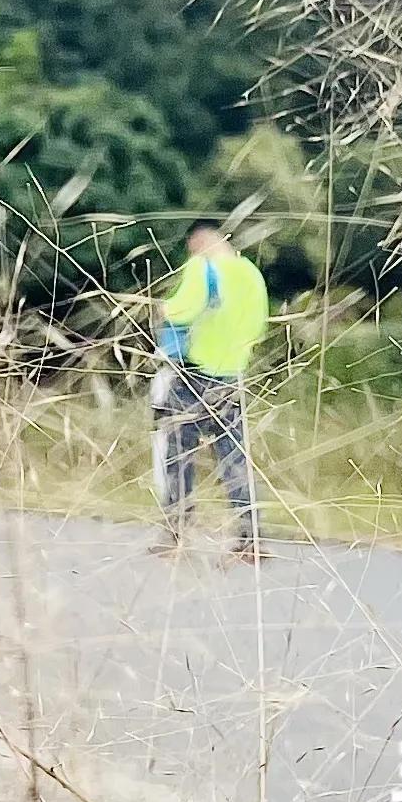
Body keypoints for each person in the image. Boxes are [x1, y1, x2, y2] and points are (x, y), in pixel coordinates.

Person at [150, 218, 269, 559]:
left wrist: (162, 308)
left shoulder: (201, 268)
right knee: (233, 458)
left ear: (199, 242)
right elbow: (258, 326)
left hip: (193, 373)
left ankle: (176, 534)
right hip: (232, 376)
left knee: (178, 456)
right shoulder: (251, 275)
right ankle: (251, 538)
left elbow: (183, 310)